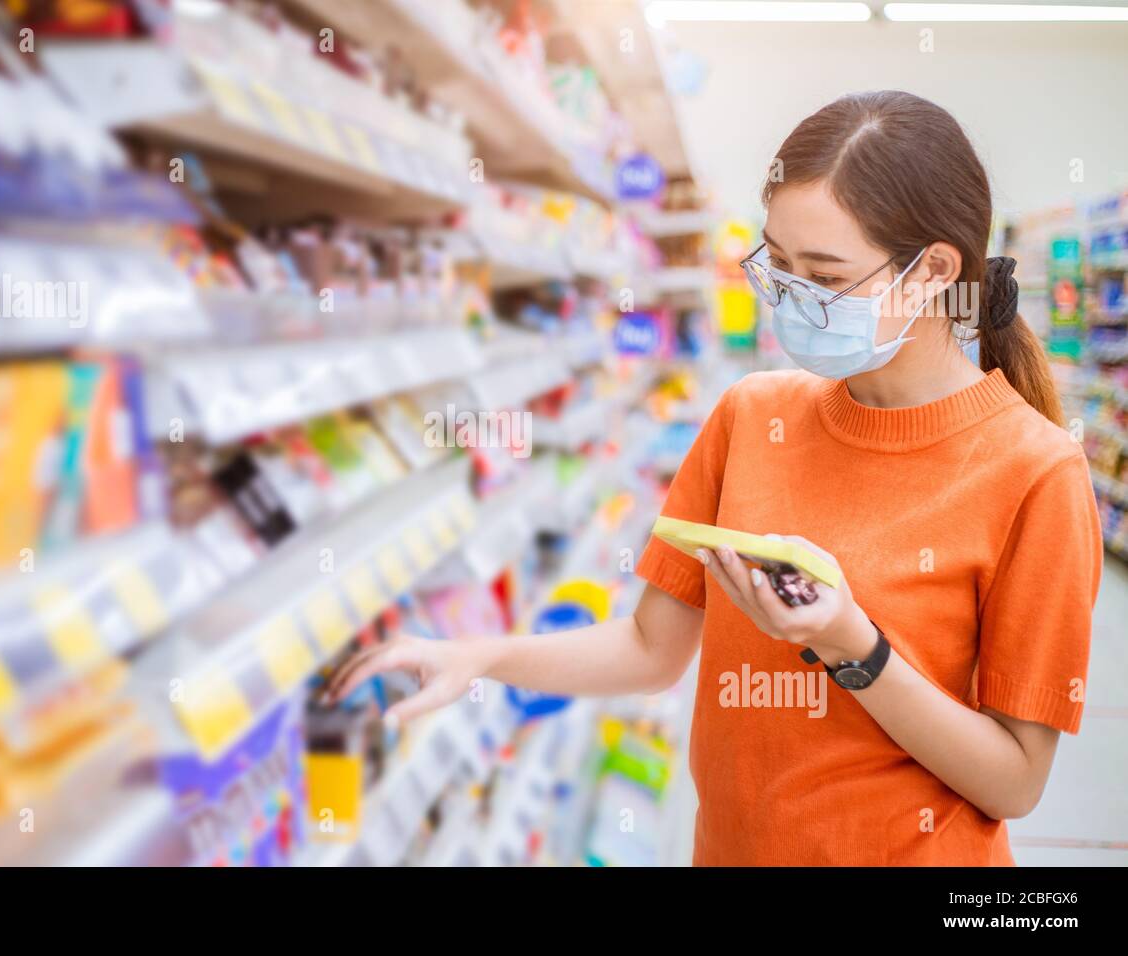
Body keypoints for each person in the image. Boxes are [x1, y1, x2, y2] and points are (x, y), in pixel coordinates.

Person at [326, 91, 1103, 865]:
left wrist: (851, 645)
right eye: (781, 266)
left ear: (933, 270)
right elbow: (648, 649)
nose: (792, 301)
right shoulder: (750, 415)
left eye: (824, 276)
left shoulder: (1035, 472)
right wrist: (480, 658)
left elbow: (1014, 782)